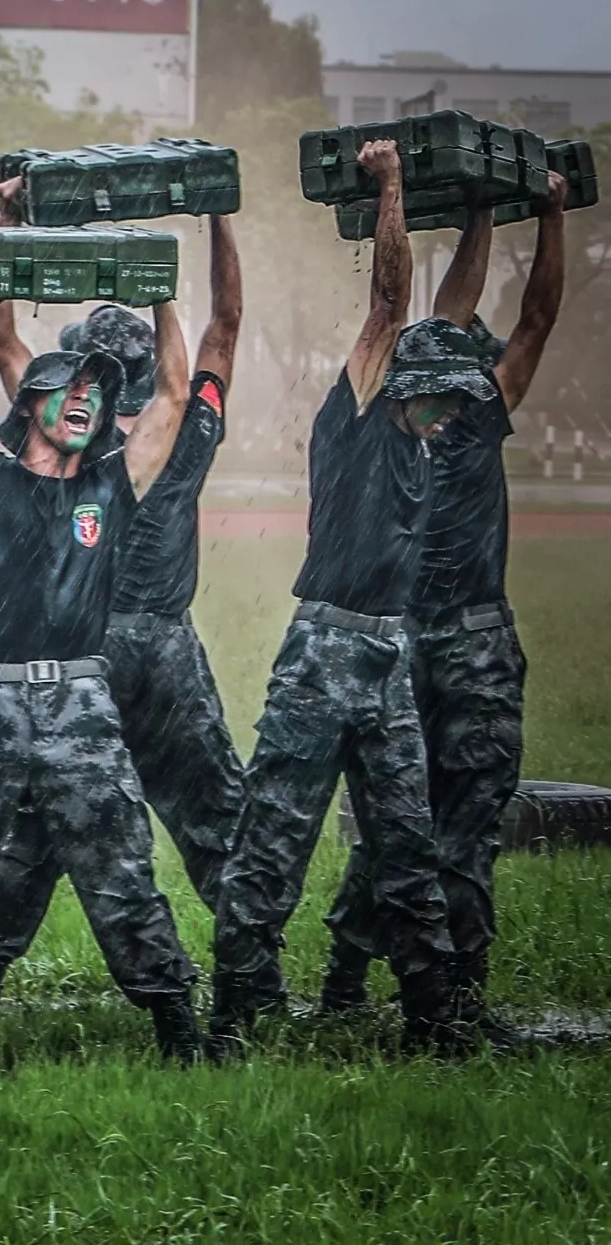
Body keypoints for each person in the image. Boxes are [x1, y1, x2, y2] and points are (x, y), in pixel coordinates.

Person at [0, 239, 200, 1062]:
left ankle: (177, 1025)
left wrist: (162, 295)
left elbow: (172, 395)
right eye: (72, 386)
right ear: (30, 404)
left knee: (120, 868)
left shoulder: (110, 485)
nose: (88, 397)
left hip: (81, 704)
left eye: (98, 390)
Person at [209, 139, 499, 1057]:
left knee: (406, 845)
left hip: (387, 657)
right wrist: (391, 186)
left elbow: (450, 317)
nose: (450, 411)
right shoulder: (360, 415)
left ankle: (434, 1020)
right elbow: (390, 305)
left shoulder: (421, 437)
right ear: (401, 384)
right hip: (323, 653)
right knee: (275, 838)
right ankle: (238, 1012)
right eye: (438, 396)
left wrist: (483, 216)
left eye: (456, 400)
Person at [0, 186, 246, 1007]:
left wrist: (6, 223)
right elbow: (225, 324)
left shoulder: (65, 428)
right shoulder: (184, 424)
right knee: (216, 821)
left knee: (38, 829)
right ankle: (249, 981)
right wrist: (216, 214)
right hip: (166, 652)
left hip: (80, 654)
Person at [321, 172, 567, 1017]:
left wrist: (486, 215)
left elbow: (460, 319)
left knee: (396, 818)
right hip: (465, 646)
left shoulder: (397, 422)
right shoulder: (473, 415)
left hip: (400, 641)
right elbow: (531, 317)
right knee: (460, 822)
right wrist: (539, 214)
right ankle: (453, 1000)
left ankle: (345, 981)